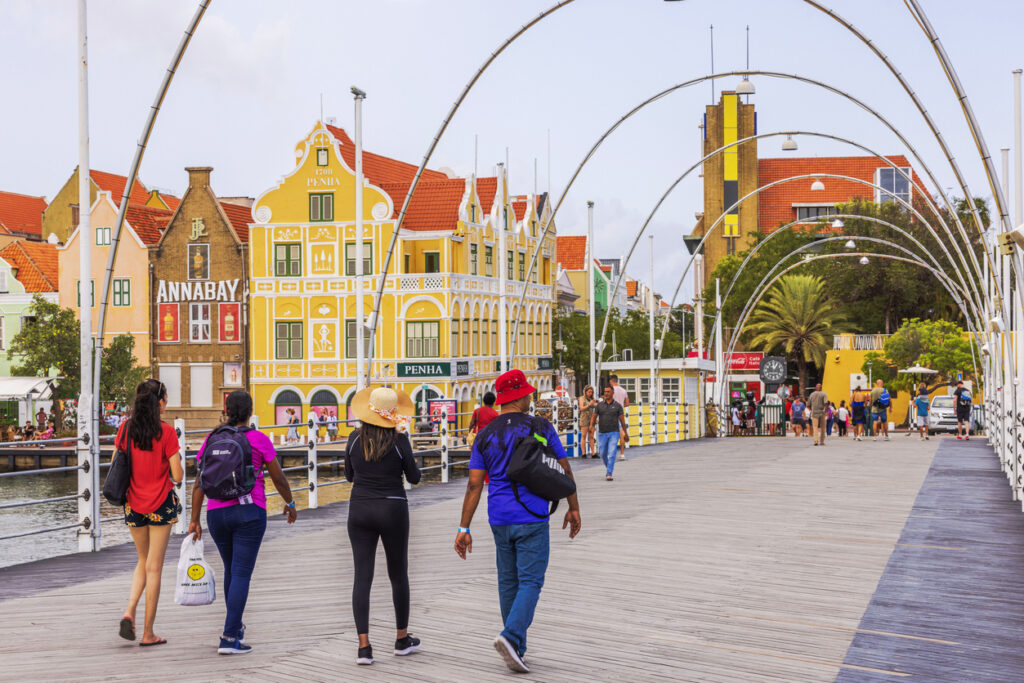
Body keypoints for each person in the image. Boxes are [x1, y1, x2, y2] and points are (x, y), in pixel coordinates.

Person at [454, 369, 581, 674]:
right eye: (528, 393)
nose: (530, 397)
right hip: (532, 515)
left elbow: (474, 485)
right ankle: (511, 636)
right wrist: (573, 507)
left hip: (499, 517)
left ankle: (517, 649)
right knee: (531, 581)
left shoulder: (484, 435)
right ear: (521, 396)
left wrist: (464, 528)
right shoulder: (540, 425)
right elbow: (563, 469)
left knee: (508, 581)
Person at [188, 390, 297, 655]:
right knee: (241, 572)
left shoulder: (211, 439)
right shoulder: (258, 439)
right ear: (249, 412)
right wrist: (291, 503)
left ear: (226, 411)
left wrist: (194, 520)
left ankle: (234, 629)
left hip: (216, 515)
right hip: (248, 513)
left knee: (231, 570)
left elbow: (198, 483)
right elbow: (279, 478)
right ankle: (228, 637)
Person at [345, 386, 421, 666]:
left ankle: (364, 647)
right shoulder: (399, 441)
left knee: (362, 578)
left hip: (361, 509)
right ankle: (402, 639)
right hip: (393, 509)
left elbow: (349, 475)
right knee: (398, 573)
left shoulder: (354, 439)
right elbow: (414, 478)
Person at [117, 379, 183, 646]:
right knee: (154, 567)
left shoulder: (124, 429)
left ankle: (129, 610)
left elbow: (117, 466)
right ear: (159, 402)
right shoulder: (166, 432)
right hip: (160, 504)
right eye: (165, 399)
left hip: (133, 503)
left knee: (142, 561)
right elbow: (177, 476)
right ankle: (148, 633)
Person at [591, 385, 629, 480]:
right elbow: (594, 416)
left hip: (614, 433)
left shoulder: (618, 406)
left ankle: (609, 473)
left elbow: (622, 421)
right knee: (603, 454)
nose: (606, 393)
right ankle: (609, 467)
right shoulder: (600, 405)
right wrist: (591, 426)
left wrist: (625, 434)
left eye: (608, 392)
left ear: (613, 393)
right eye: (605, 391)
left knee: (611, 453)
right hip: (602, 433)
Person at [609, 375, 629, 456]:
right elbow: (627, 403)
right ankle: (622, 453)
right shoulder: (623, 390)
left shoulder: (611, 390)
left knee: (610, 433)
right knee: (621, 433)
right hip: (620, 413)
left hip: (611, 413)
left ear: (611, 381)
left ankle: (611, 452)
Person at [577, 386, 598, 458]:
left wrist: (596, 404)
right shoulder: (581, 398)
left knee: (591, 436)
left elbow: (595, 407)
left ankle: (593, 453)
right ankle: (583, 453)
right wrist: (589, 404)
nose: (590, 393)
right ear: (585, 392)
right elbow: (581, 408)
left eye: (591, 392)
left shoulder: (592, 399)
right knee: (584, 436)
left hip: (591, 418)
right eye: (589, 392)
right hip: (584, 418)